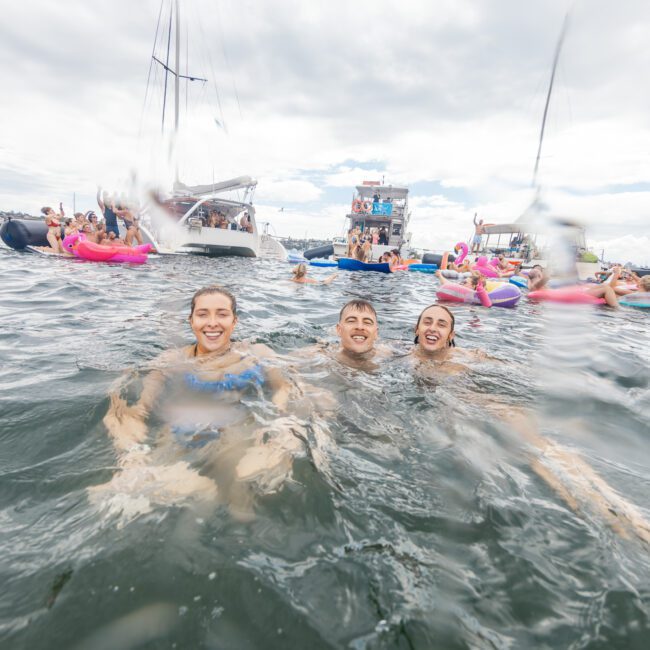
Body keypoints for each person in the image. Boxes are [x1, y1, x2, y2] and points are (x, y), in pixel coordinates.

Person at [408, 304, 650, 543]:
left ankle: (624, 511)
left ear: (451, 335)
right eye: (427, 321)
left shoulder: (467, 355)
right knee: (532, 457)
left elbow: (518, 370)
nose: (433, 328)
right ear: (417, 328)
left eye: (442, 324)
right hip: (457, 413)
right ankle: (604, 516)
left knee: (542, 447)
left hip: (485, 405)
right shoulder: (401, 354)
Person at [94, 287, 305, 516]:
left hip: (236, 429)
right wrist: (132, 453)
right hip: (180, 430)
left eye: (222, 314)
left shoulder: (257, 352)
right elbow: (137, 407)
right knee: (147, 475)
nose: (212, 322)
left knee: (241, 505)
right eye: (203, 314)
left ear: (234, 321)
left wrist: (280, 427)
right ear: (191, 320)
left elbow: (286, 386)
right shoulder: (172, 359)